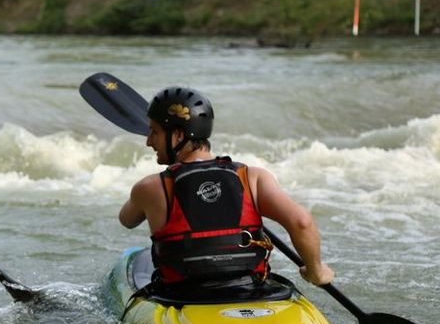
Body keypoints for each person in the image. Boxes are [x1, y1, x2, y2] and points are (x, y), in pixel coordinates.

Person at [118, 86, 334, 289]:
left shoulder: (150, 188)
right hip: (249, 290)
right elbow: (302, 222)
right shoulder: (252, 177)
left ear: (178, 136)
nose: (148, 141)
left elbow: (126, 220)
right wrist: (316, 271)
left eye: (154, 132)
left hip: (182, 296)